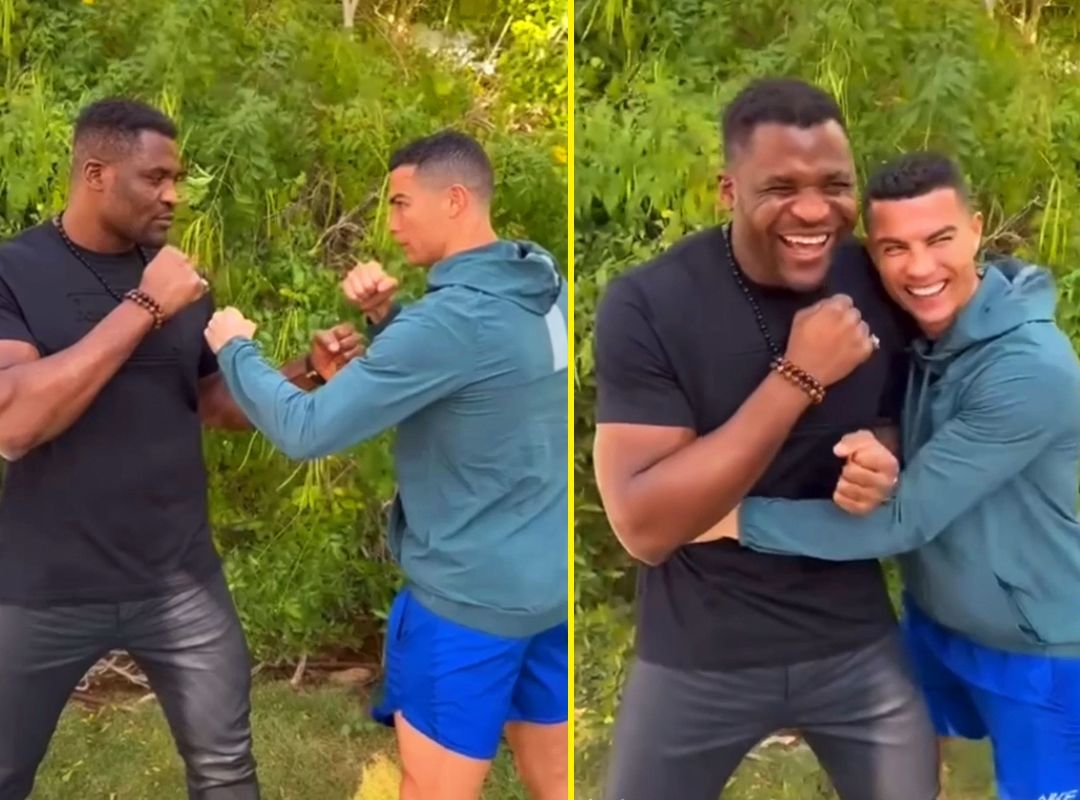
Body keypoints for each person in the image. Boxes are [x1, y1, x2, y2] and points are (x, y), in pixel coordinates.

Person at [0, 98, 364, 800]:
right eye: (155, 177)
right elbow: (15, 420)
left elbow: (212, 401)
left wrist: (304, 372)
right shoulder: (16, 271)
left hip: (178, 582)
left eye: (179, 177)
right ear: (97, 173)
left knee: (226, 774)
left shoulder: (175, 277)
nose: (174, 194)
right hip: (42, 585)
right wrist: (145, 307)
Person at [591, 77, 938, 799]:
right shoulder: (651, 302)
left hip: (855, 643)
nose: (814, 210)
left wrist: (886, 456)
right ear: (728, 188)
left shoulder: (878, 278)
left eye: (835, 185)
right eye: (781, 186)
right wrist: (798, 377)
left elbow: (900, 412)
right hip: (698, 653)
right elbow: (645, 524)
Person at [201, 130, 568, 800]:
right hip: (546, 590)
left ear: (454, 199)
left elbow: (305, 429)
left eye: (401, 204)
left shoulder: (450, 323)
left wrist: (236, 350)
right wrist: (387, 321)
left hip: (467, 608)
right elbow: (482, 380)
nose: (390, 223)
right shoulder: (541, 286)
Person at [718, 152, 1080, 800]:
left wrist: (726, 517)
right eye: (894, 248)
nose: (918, 268)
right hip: (932, 619)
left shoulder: (1032, 370)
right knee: (904, 778)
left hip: (1038, 648)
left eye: (939, 240)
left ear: (975, 229)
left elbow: (901, 517)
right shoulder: (914, 332)